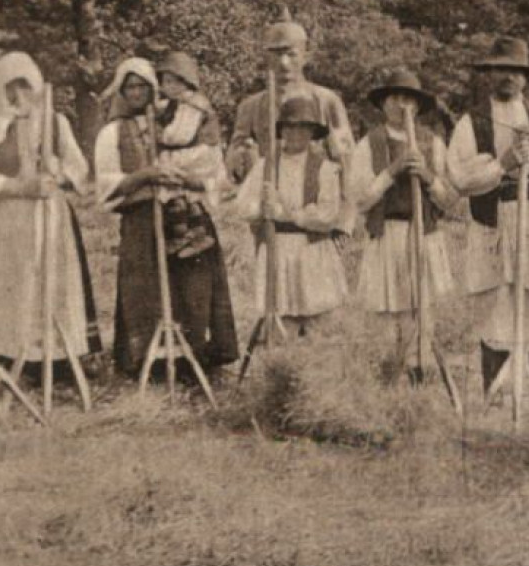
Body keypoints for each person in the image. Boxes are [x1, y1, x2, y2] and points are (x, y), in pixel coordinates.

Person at [445, 38, 529, 398]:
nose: (507, 77)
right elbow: (459, 179)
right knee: (495, 307)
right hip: (493, 221)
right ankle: (495, 399)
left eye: (515, 70)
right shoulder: (471, 122)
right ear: (488, 75)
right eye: (499, 70)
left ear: (525, 77)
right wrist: (502, 165)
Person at [93, 56, 239, 380]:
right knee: (145, 289)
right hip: (141, 220)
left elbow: (215, 172)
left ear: (154, 88)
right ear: (121, 91)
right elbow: (105, 185)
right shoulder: (113, 132)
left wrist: (188, 180)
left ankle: (196, 359)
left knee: (193, 287)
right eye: (129, 87)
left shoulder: (178, 118)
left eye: (143, 86)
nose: (136, 93)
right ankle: (149, 362)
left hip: (186, 214)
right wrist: (145, 175)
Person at [0, 52, 101, 380]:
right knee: (11, 283)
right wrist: (20, 186)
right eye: (11, 88)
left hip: (50, 214)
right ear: (0, 90)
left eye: (25, 86)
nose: (19, 95)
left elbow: (79, 168)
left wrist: (58, 174)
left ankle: (57, 356)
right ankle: (8, 355)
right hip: (8, 220)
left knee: (52, 280)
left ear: (37, 87)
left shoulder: (55, 122)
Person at [348, 68, 456, 343]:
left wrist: (427, 176)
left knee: (423, 313)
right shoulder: (368, 144)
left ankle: (421, 361)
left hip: (424, 234)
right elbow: (359, 200)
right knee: (390, 319)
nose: (401, 105)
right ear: (383, 104)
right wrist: (391, 171)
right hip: (387, 234)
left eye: (408, 99)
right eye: (394, 98)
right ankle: (392, 364)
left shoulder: (433, 143)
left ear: (417, 106)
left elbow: (449, 200)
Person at [232, 94, 348, 331]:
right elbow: (242, 206)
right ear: (281, 130)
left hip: (312, 250)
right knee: (281, 319)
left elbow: (328, 216)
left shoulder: (325, 169)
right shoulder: (265, 166)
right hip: (276, 247)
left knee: (317, 320)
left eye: (302, 128)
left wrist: (289, 215)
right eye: (290, 127)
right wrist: (262, 209)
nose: (295, 134)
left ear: (312, 132)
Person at [225, 15, 355, 198]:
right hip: (266, 194)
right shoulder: (251, 106)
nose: (283, 63)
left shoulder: (326, 101)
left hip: (315, 195)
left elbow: (346, 157)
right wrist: (243, 156)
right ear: (266, 57)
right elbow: (234, 161)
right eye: (276, 54)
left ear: (305, 56)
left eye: (291, 54)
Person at [154, 51, 224, 259]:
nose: (169, 87)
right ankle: (193, 233)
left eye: (174, 82)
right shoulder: (176, 103)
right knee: (185, 197)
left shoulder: (192, 105)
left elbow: (180, 135)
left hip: (195, 155)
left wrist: (160, 135)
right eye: (165, 82)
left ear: (186, 82)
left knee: (177, 190)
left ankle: (187, 234)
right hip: (187, 153)